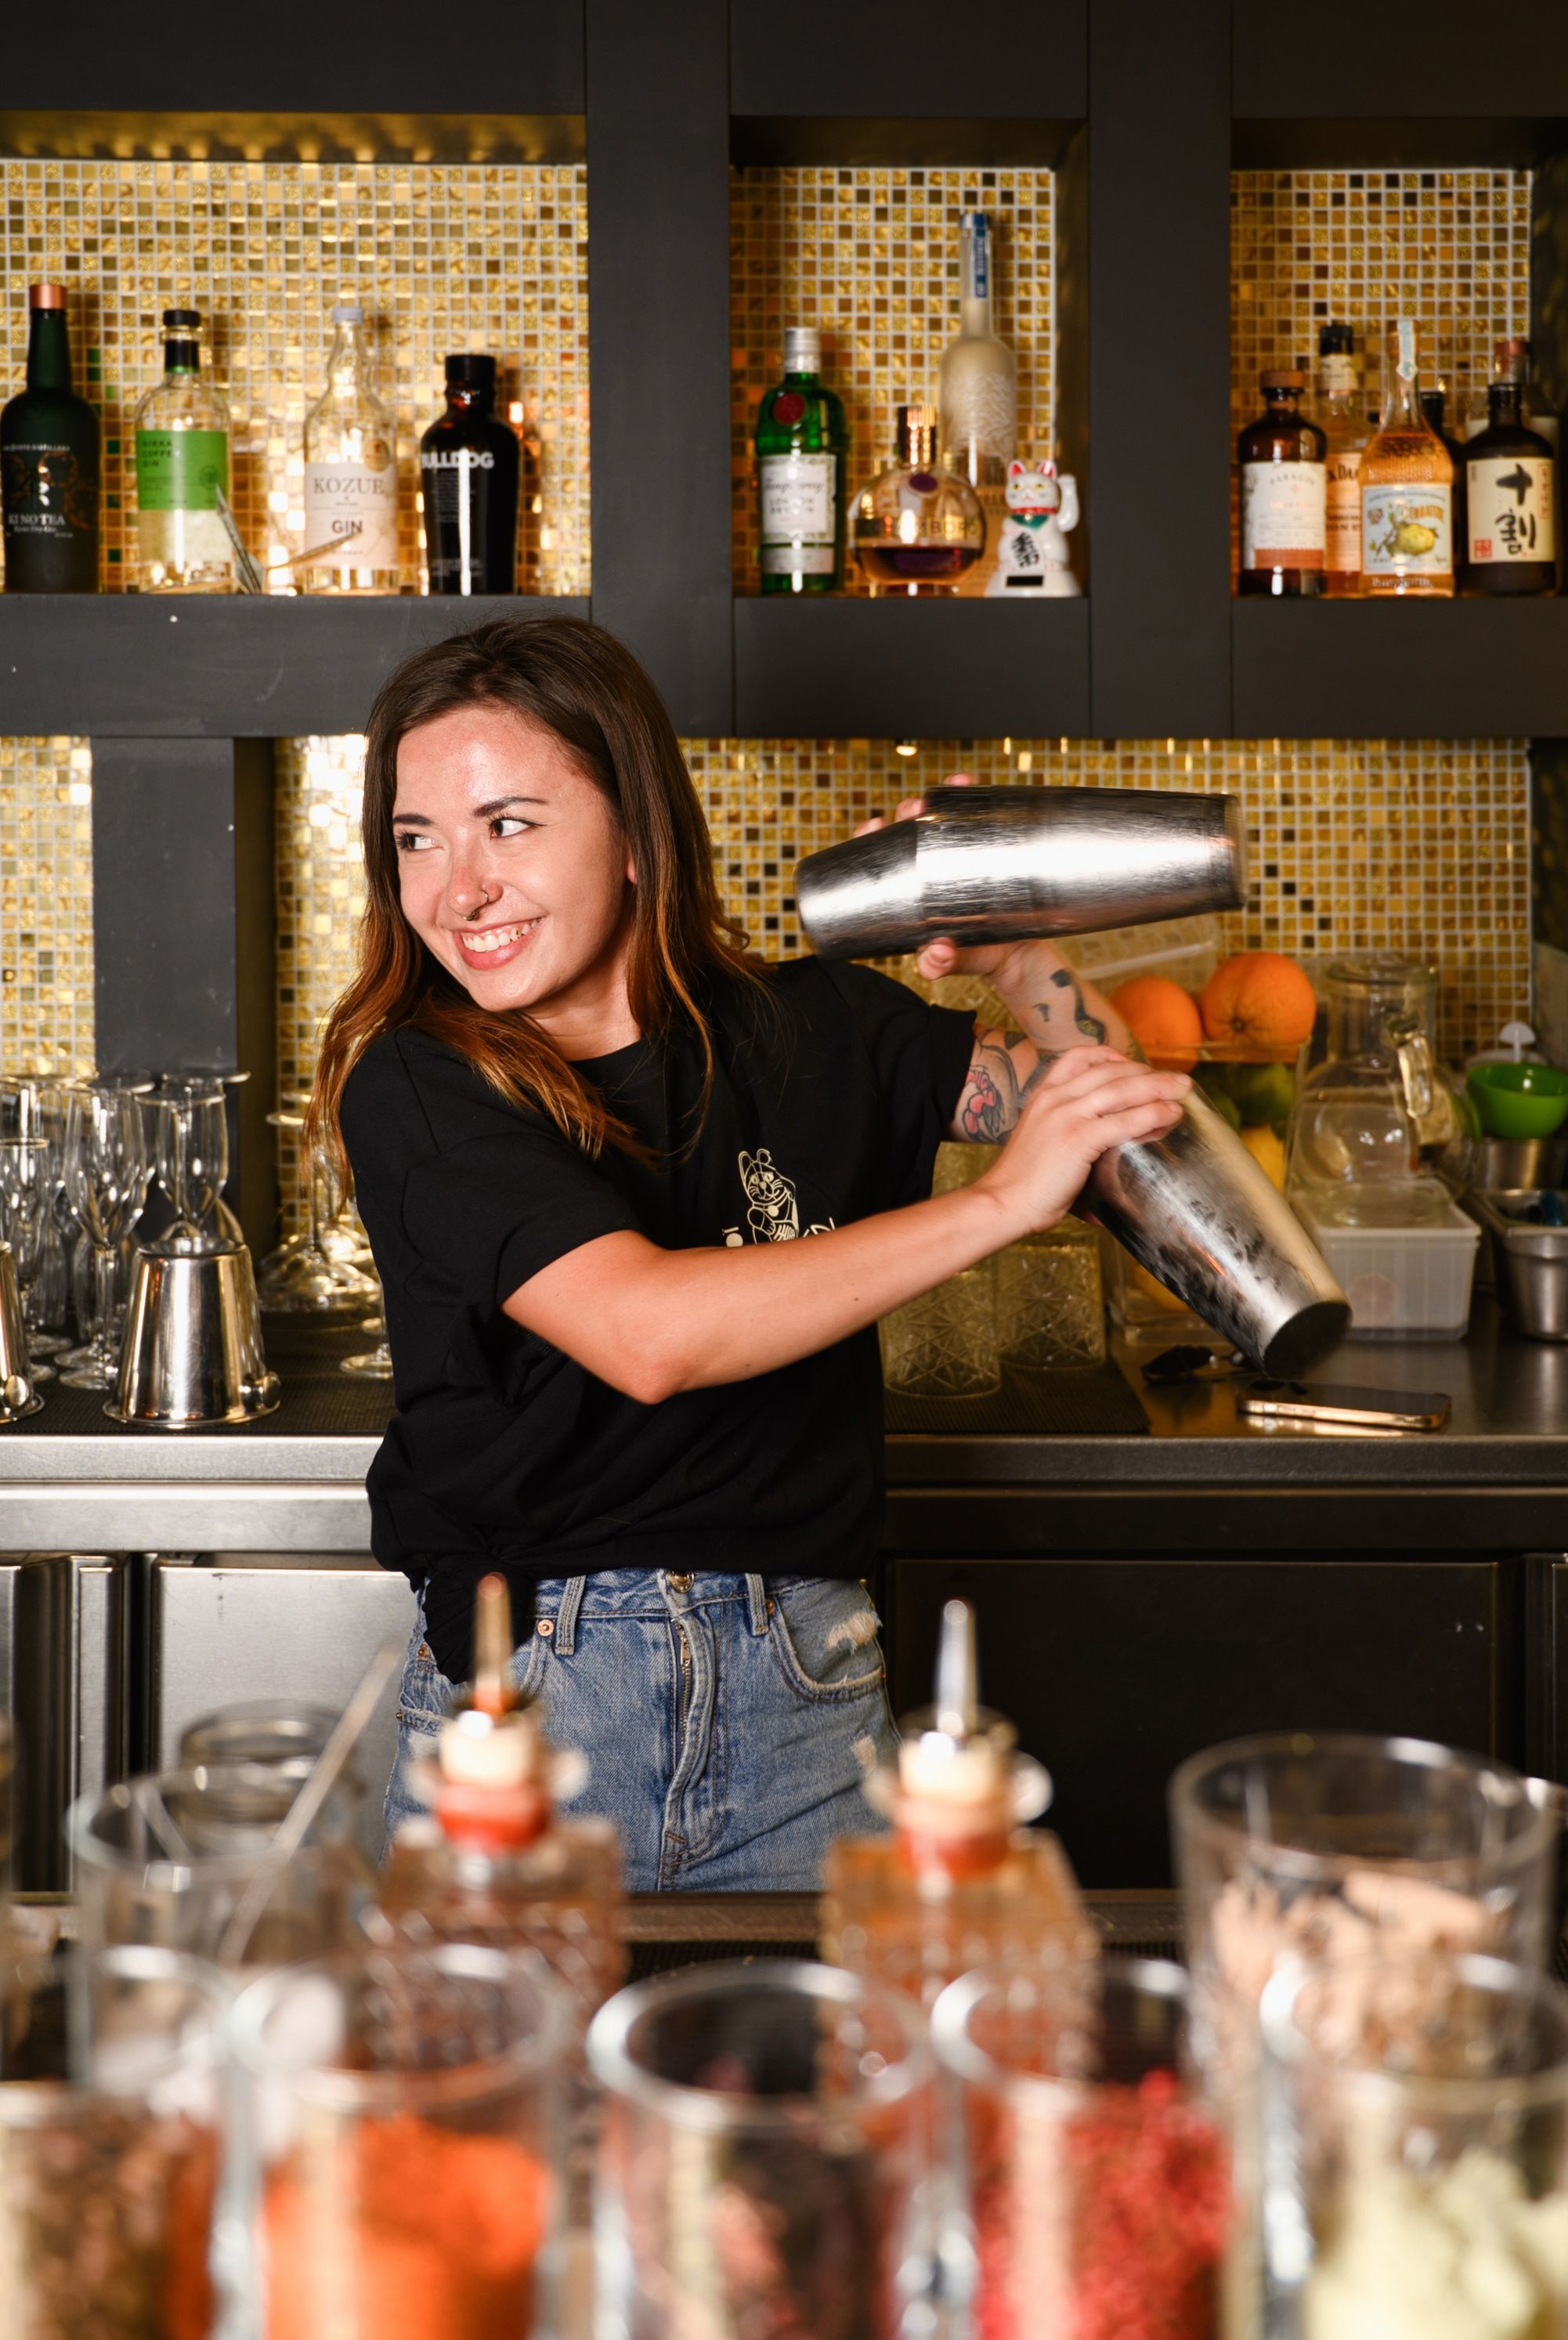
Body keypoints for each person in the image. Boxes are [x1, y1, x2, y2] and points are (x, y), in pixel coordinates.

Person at [307, 615, 1189, 1892]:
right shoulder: (421, 1084)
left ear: (635, 832)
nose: (457, 890)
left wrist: (1008, 941)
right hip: (530, 1719)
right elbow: (649, 1335)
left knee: (819, 2093)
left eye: (508, 824)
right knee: (488, 2093)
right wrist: (998, 1203)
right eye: (416, 840)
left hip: (809, 1706)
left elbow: (1122, 1110)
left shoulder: (816, 1029)